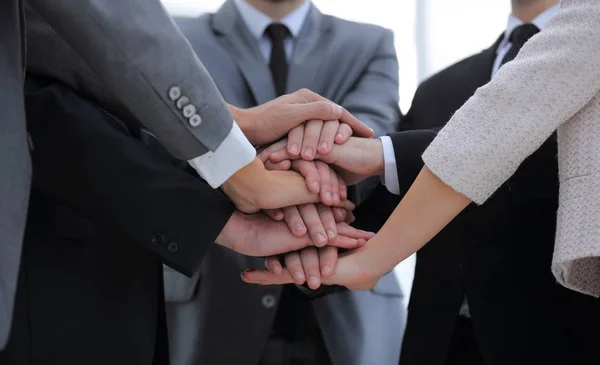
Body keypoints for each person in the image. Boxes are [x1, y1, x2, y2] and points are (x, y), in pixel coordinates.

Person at [0, 0, 372, 351]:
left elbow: (42, 34)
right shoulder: (187, 31)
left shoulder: (369, 42)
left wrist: (236, 126)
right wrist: (244, 174)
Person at [248, 0, 600, 341]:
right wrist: (310, 209)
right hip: (439, 343)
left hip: (564, 336)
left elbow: (521, 144)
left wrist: (380, 153)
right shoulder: (438, 88)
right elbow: (384, 206)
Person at [165, 1, 404, 364]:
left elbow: (372, 135)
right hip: (216, 304)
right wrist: (312, 165)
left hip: (346, 308)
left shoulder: (370, 42)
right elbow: (162, 138)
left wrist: (273, 164)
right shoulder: (176, 35)